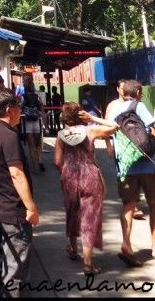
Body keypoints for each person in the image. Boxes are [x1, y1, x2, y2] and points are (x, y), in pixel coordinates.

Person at [0, 88, 39, 297]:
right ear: (9, 109)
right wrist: (31, 207)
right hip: (13, 212)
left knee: (3, 263)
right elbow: (16, 173)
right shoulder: (9, 136)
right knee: (15, 270)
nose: (21, 112)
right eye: (18, 108)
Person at [54, 101, 119, 277]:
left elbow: (57, 161)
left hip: (69, 176)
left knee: (72, 211)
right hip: (90, 176)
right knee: (89, 217)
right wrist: (92, 118)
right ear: (80, 115)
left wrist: (66, 171)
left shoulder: (61, 136)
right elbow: (114, 126)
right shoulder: (90, 131)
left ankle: (73, 248)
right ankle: (88, 263)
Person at [105, 79, 155, 266]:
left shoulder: (113, 109)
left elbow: (107, 132)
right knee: (154, 204)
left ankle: (126, 244)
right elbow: (154, 133)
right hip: (146, 166)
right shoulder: (138, 106)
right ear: (138, 92)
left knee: (128, 206)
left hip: (125, 167)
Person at [20, 77, 45, 173]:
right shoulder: (37, 97)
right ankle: (39, 161)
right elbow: (42, 111)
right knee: (37, 144)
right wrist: (46, 126)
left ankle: (35, 167)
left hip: (27, 123)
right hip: (37, 122)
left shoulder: (22, 97)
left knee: (31, 146)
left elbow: (20, 109)